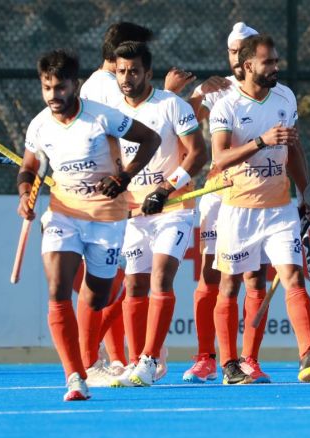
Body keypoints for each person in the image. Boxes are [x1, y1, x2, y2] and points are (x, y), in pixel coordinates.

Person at [17, 49, 160, 401]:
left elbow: (151, 139)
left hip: (106, 219)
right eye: (47, 88)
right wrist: (25, 193)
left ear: (75, 86)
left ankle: (114, 290)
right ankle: (74, 377)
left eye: (60, 87)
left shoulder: (102, 117)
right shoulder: (39, 125)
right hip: (63, 215)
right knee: (57, 290)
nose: (53, 95)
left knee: (97, 299)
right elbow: (29, 167)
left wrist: (125, 176)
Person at [209, 34, 310, 384]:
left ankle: (308, 353)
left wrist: (306, 193)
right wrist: (260, 141)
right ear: (248, 65)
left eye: (277, 61)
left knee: (293, 276)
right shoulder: (226, 106)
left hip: (279, 208)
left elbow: (293, 149)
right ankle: (230, 364)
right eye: (269, 62)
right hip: (239, 210)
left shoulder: (285, 96)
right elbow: (220, 159)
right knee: (233, 285)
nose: (276, 67)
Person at [79, 21, 186, 380]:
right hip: (113, 202)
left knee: (125, 283)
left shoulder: (116, 87)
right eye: (127, 62)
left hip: (132, 199)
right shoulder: (102, 88)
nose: (130, 73)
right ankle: (98, 360)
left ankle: (126, 358)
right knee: (108, 285)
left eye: (136, 65)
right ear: (117, 56)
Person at [106, 41, 207, 387]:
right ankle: (135, 359)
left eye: (134, 70)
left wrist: (165, 189)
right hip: (132, 212)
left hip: (173, 209)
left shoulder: (172, 105)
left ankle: (149, 360)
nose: (127, 77)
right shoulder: (109, 110)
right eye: (121, 71)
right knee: (134, 284)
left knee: (161, 278)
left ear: (149, 73)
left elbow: (197, 154)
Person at [183, 22, 276, 384]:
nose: (237, 57)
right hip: (220, 195)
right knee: (209, 276)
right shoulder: (215, 89)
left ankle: (250, 359)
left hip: (259, 194)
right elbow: (181, 126)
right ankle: (206, 356)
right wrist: (192, 97)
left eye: (243, 51)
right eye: (232, 51)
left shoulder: (272, 90)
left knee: (256, 278)